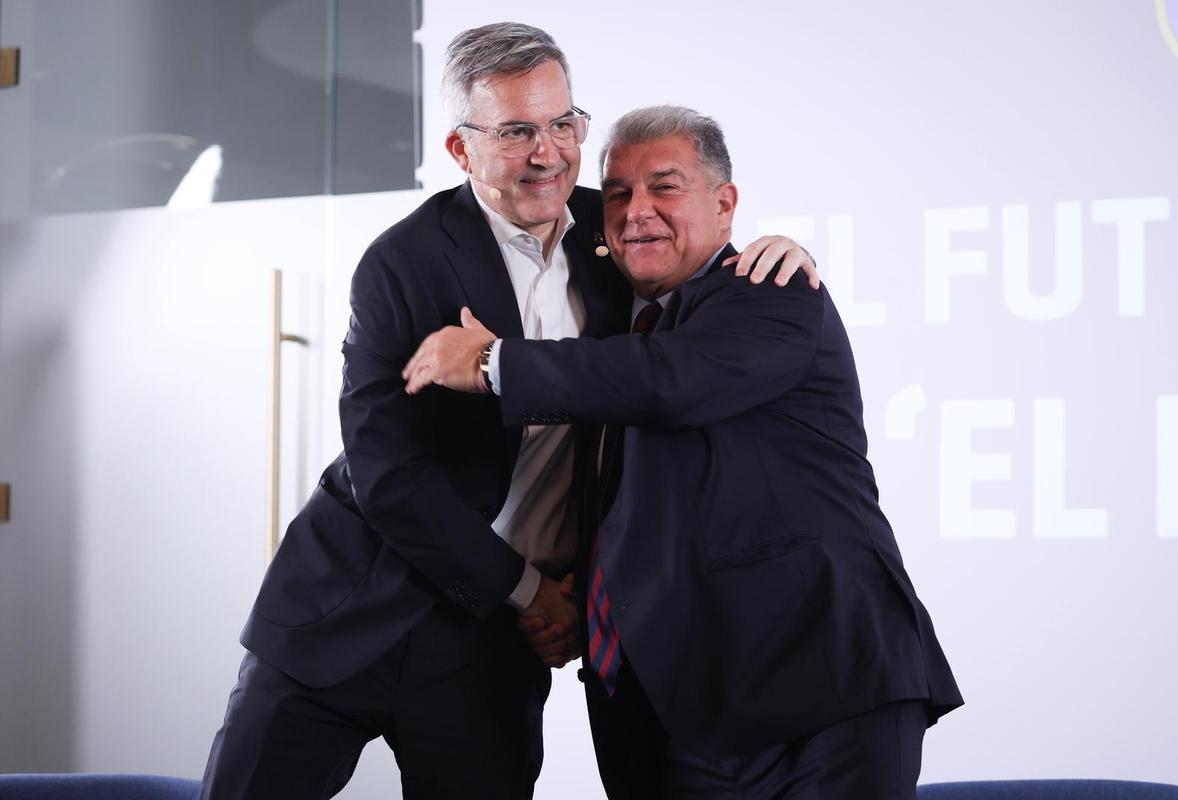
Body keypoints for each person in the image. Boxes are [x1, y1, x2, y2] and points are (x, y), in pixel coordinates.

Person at [199, 23, 818, 800]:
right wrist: (530, 593)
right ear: (461, 150)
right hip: (353, 608)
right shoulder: (402, 262)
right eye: (517, 131)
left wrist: (779, 253)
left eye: (563, 124)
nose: (548, 152)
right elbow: (388, 477)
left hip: (491, 653)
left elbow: (694, 288)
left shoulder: (616, 236)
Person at [403, 105, 963, 799]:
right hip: (675, 712)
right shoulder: (620, 332)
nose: (637, 211)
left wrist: (494, 363)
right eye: (617, 194)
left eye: (664, 187)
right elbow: (639, 494)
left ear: (724, 205)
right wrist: (571, 600)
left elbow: (669, 383)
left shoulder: (771, 288)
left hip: (819, 694)